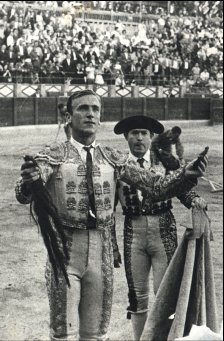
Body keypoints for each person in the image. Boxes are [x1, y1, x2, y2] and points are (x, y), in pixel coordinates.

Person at [15, 91, 208, 341]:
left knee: (95, 334)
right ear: (68, 116)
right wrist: (29, 181)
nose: (90, 114)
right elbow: (23, 193)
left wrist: (186, 174)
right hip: (64, 250)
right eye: (83, 108)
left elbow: (156, 186)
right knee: (63, 332)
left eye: (95, 109)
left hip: (101, 253)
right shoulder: (53, 155)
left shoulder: (113, 158)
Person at [113, 116, 207, 341]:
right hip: (132, 233)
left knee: (165, 294)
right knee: (137, 296)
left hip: (163, 229)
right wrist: (112, 244)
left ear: (151, 137)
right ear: (126, 137)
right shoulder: (117, 165)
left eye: (144, 133)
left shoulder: (165, 162)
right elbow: (107, 207)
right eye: (134, 133)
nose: (139, 138)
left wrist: (194, 199)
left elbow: (182, 191)